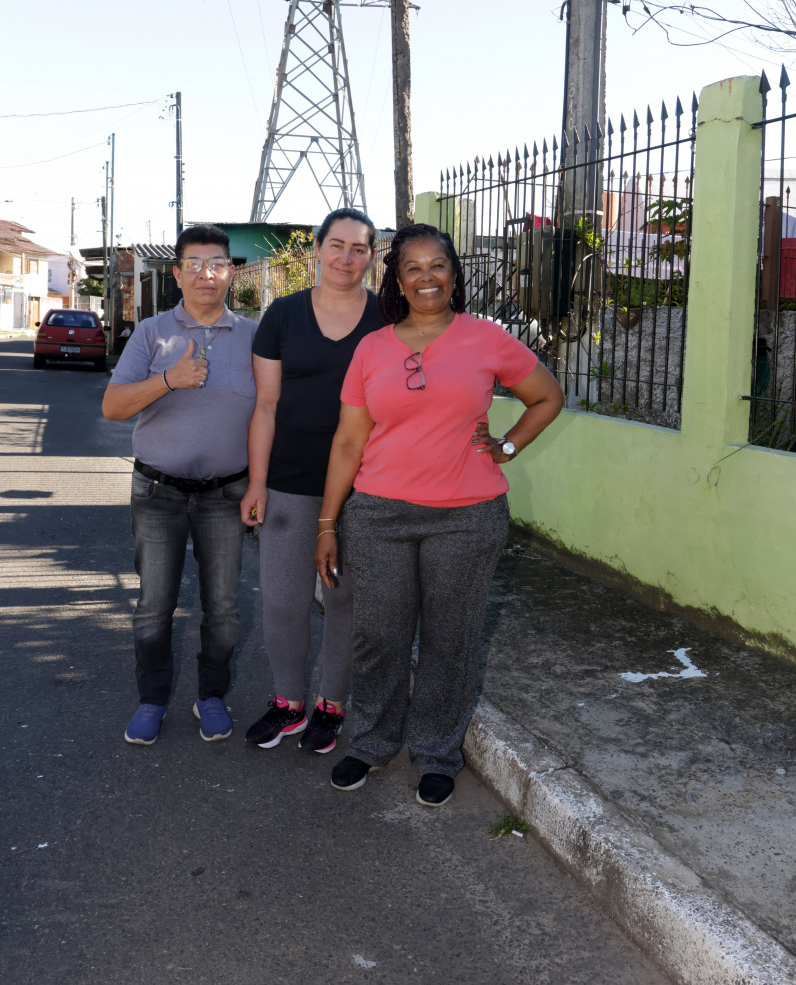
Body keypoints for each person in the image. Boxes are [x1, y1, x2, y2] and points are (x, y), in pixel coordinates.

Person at [315, 223, 564, 807]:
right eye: (413, 268)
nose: (426, 277)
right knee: (379, 636)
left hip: (466, 515)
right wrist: (328, 524)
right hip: (377, 515)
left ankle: (435, 753)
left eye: (438, 266)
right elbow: (349, 442)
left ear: (454, 274)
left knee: (451, 640)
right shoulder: (372, 349)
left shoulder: (488, 339)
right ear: (396, 280)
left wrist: (505, 446)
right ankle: (372, 743)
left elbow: (547, 396)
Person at [102, 225, 257, 746]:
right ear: (177, 273)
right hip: (158, 492)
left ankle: (210, 695)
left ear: (231, 271)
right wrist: (170, 378)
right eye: (194, 264)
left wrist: (262, 483)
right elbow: (113, 407)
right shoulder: (151, 333)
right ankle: (151, 700)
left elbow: (271, 414)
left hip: (226, 494)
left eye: (216, 264)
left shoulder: (256, 337)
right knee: (155, 603)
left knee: (224, 607)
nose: (206, 274)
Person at [240, 208, 382, 755]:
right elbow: (265, 405)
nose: (346, 258)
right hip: (289, 480)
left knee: (343, 599)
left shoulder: (386, 319)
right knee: (281, 598)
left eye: (359, 248)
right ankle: (288, 704)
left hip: (364, 484)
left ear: (372, 257)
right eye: (337, 245)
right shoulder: (282, 314)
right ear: (318, 249)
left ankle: (331, 704)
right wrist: (257, 482)